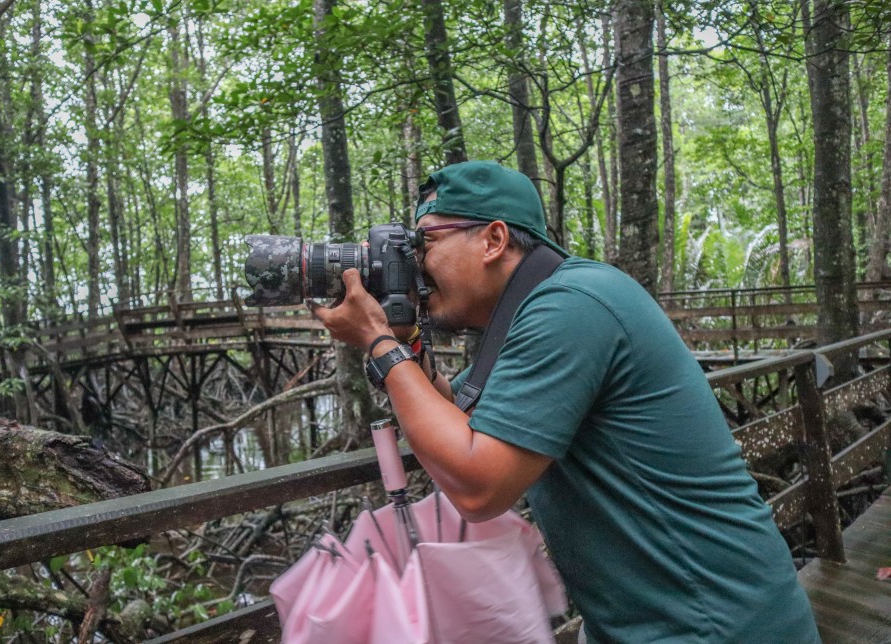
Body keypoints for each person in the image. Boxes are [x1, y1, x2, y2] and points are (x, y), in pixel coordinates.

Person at [309, 160, 819, 643]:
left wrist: (380, 345)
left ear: (493, 238)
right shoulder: (545, 305)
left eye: (424, 243)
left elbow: (479, 487)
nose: (415, 265)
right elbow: (456, 412)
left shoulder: (572, 307)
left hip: (712, 622)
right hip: (654, 618)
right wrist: (402, 343)